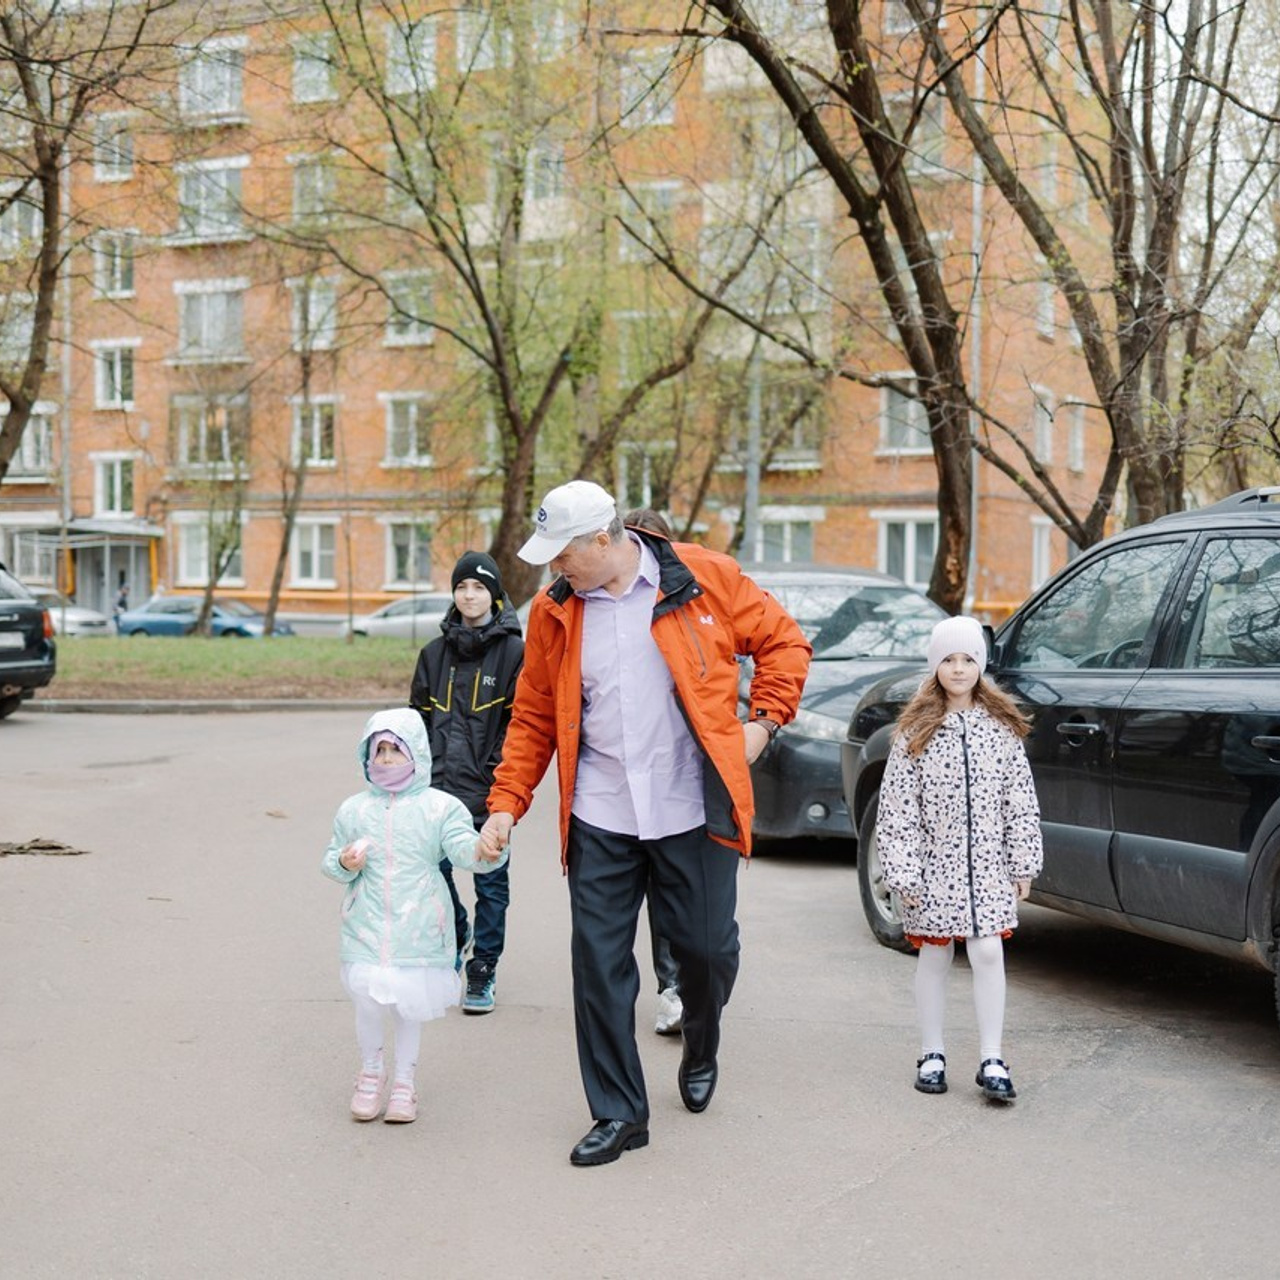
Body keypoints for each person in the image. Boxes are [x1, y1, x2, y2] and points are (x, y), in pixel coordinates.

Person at [476, 479, 811, 1166]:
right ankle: (620, 1114)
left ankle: (702, 1037)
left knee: (706, 954)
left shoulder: (703, 577)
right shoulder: (554, 611)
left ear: (604, 540)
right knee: (598, 967)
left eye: (562, 554)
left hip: (692, 804)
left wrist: (763, 724)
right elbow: (535, 714)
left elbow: (784, 643)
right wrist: (507, 802)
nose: (553, 569)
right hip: (601, 811)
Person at [875, 615, 1044, 1104]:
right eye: (948, 659)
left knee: (989, 951)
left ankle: (992, 1057)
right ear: (935, 667)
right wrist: (902, 870)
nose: (958, 668)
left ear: (980, 665)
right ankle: (932, 1052)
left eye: (968, 658)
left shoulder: (1002, 731)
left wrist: (1023, 861)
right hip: (933, 868)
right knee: (936, 951)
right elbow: (896, 811)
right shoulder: (914, 734)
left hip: (989, 866)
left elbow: (1021, 801)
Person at [322, 707, 507, 1124]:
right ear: (366, 755)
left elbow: (463, 848)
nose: (386, 758)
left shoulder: (441, 807)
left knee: (408, 1007)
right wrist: (345, 864)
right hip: (366, 925)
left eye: (396, 749)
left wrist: (484, 849)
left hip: (420, 925)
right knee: (367, 1003)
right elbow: (330, 860)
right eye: (379, 749)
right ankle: (371, 1072)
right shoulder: (354, 810)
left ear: (417, 754)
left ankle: (405, 1082)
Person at [410, 551, 524, 1014]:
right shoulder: (433, 654)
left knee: (491, 885)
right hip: (435, 793)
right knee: (432, 874)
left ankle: (483, 969)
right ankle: (458, 928)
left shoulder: (515, 652)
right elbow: (414, 724)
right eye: (462, 587)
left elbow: (520, 728)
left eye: (479, 587)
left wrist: (501, 781)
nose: (470, 595)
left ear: (494, 594)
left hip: (489, 794)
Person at [623, 507, 685, 1038]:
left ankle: (692, 988)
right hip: (622, 792)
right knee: (644, 901)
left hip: (684, 787)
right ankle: (671, 990)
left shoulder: (691, 595)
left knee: (680, 904)